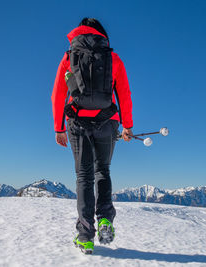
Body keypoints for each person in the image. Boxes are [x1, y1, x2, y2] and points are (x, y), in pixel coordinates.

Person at [51, 18, 133, 254]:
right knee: (102, 170)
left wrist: (59, 127)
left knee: (84, 176)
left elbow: (58, 93)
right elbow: (124, 93)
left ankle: (85, 236)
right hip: (108, 121)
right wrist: (127, 125)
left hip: (77, 121)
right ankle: (105, 219)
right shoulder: (112, 57)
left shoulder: (69, 57)